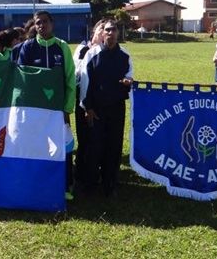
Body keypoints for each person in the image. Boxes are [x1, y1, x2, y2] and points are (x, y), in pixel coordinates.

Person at [17, 10, 76, 200]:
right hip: (35, 110)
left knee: (64, 147)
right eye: (38, 22)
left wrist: (67, 109)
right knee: (36, 146)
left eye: (44, 22)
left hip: (58, 111)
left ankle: (65, 186)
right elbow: (21, 78)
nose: (41, 25)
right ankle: (37, 182)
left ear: (52, 23)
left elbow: (70, 79)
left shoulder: (62, 47)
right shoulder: (28, 47)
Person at [79, 19, 133, 197]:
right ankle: (90, 184)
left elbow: (130, 75)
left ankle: (110, 184)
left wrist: (128, 81)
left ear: (118, 32)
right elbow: (85, 82)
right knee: (95, 146)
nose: (110, 33)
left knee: (114, 146)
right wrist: (88, 107)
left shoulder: (125, 55)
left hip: (117, 108)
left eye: (114, 30)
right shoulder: (91, 54)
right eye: (107, 30)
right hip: (96, 109)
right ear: (102, 33)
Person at [72, 19, 105, 185]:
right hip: (83, 102)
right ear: (94, 32)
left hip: (102, 103)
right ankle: (80, 174)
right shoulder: (83, 48)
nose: (104, 33)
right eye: (101, 29)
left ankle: (96, 173)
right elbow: (76, 73)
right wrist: (89, 55)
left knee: (100, 139)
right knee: (85, 138)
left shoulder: (109, 51)